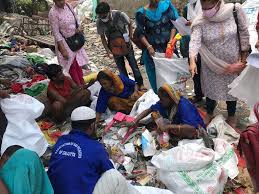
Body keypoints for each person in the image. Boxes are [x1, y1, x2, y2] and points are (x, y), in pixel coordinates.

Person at [48, 106, 138, 194]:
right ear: (92, 126)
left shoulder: (61, 140)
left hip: (54, 190)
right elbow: (108, 170)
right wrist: (109, 158)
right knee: (114, 175)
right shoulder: (95, 147)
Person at [189, 0, 250, 127]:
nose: (206, 11)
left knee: (231, 90)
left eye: (209, 7)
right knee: (211, 90)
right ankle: (209, 112)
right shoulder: (200, 21)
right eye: (203, 8)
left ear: (218, 3)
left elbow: (244, 33)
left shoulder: (234, 10)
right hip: (211, 65)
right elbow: (195, 40)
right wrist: (192, 59)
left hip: (232, 64)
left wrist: (243, 59)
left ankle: (231, 115)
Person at [95, 2, 145, 91]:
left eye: (104, 16)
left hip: (125, 44)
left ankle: (140, 84)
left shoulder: (119, 15)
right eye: (100, 16)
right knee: (121, 69)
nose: (103, 18)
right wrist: (108, 51)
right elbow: (102, 38)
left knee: (134, 66)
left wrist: (129, 37)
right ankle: (128, 87)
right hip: (113, 47)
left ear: (109, 11)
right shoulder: (99, 22)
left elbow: (130, 23)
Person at [135, 0, 179, 92]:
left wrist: (171, 41)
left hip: (168, 49)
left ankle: (175, 100)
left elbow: (174, 24)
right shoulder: (141, 13)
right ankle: (161, 99)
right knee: (156, 80)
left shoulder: (167, 6)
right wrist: (148, 46)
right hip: (153, 52)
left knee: (172, 77)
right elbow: (140, 33)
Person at [131, 84, 205, 139]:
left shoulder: (184, 106)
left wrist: (168, 127)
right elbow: (149, 110)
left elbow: (192, 128)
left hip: (194, 129)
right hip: (178, 124)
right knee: (154, 114)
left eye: (162, 99)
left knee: (188, 131)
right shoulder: (165, 104)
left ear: (170, 98)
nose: (160, 101)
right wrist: (135, 121)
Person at [49, 0, 88, 86]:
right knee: (71, 65)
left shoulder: (68, 6)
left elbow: (75, 17)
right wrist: (62, 49)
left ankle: (82, 83)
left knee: (77, 63)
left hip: (75, 39)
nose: (62, 2)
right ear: (54, 1)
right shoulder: (53, 12)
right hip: (64, 42)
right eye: (59, 1)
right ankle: (77, 86)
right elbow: (56, 32)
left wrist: (78, 27)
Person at [181, 0, 203, 103]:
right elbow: (185, 23)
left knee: (206, 72)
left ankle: (210, 97)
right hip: (192, 41)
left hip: (205, 42)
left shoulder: (206, 4)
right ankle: (198, 94)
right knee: (195, 70)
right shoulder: (187, 8)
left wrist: (194, 22)